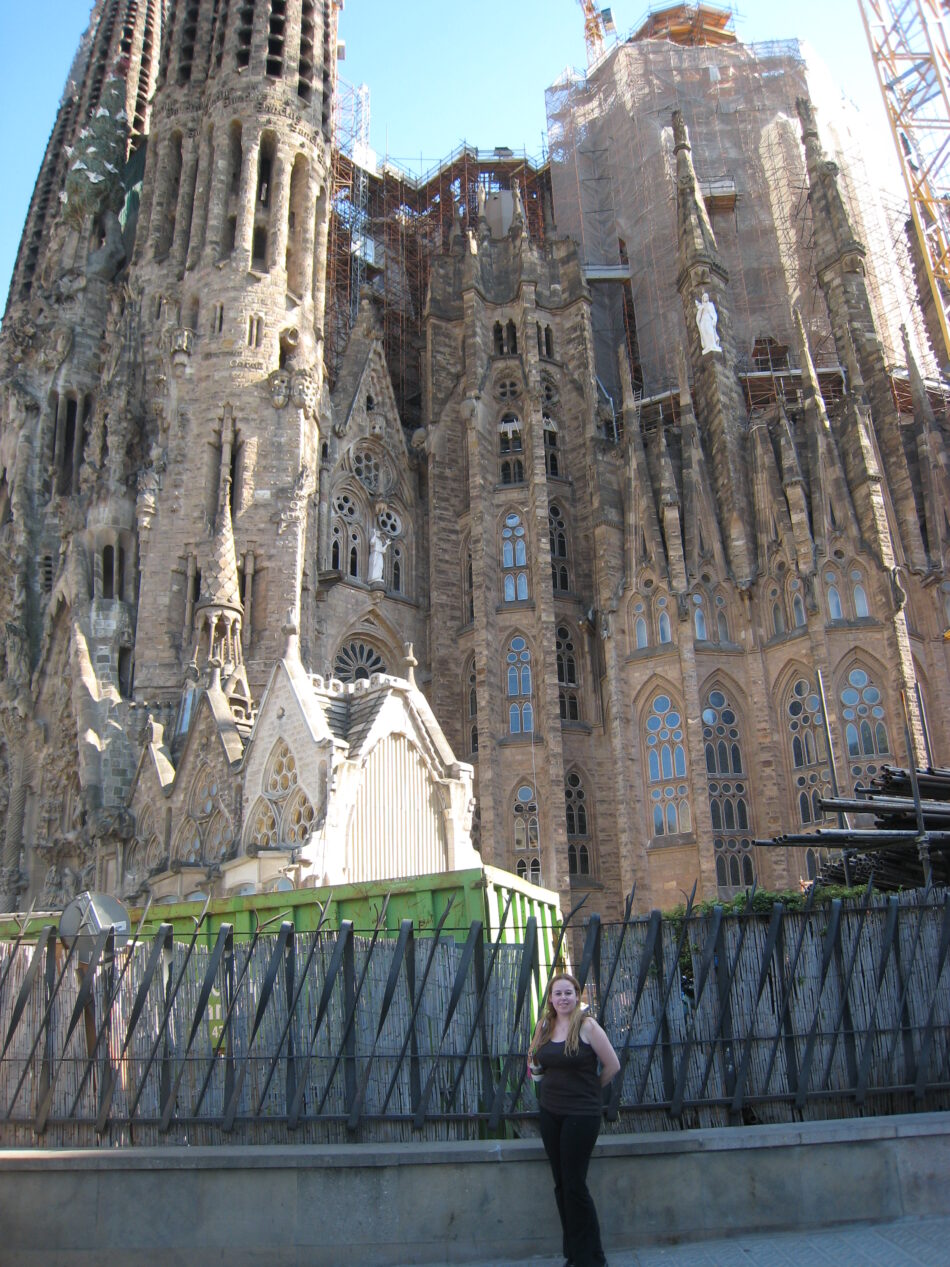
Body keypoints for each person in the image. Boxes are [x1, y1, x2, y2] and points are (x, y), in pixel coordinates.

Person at [528, 971, 621, 1267]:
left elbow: (612, 1065)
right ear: (551, 999)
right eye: (558, 993)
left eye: (569, 993)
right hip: (550, 1112)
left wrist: (590, 1090)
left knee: (574, 1185)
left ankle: (590, 1259)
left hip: (581, 1115)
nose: (563, 998)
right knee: (561, 1184)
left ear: (577, 995)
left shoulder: (588, 1026)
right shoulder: (545, 1025)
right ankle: (579, 1255)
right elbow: (534, 1060)